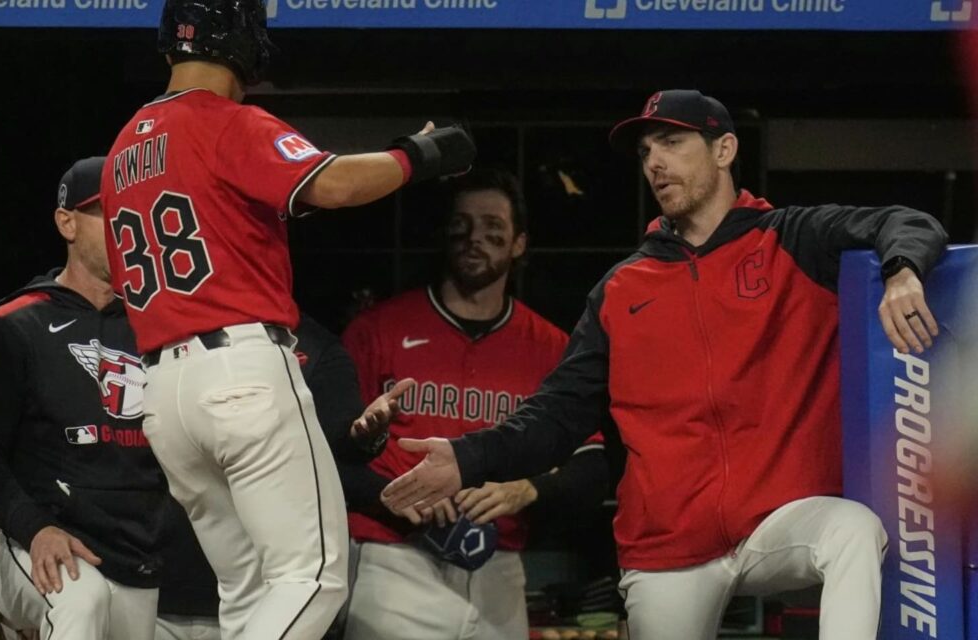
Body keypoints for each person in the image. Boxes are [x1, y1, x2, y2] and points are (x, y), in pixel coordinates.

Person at [382, 89, 949, 640]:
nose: (655, 162)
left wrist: (902, 270)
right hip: (667, 544)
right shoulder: (622, 289)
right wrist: (465, 457)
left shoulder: (792, 241)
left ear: (723, 151)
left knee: (854, 530)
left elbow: (906, 222)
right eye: (646, 152)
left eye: (672, 143)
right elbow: (557, 416)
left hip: (778, 521)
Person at [100, 0, 473, 637]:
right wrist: (419, 155)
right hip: (242, 369)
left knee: (248, 592)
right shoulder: (222, 119)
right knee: (314, 578)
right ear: (240, 41)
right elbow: (331, 183)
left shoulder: (121, 151)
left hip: (164, 391)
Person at [340, 168, 610, 640]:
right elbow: (330, 453)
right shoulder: (377, 329)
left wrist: (529, 489)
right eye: (462, 226)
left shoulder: (548, 345)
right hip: (396, 560)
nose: (474, 239)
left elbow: (593, 462)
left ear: (518, 244)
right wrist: (393, 499)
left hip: (500, 567)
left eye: (492, 229)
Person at [0, 157, 169, 640]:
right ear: (66, 222)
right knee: (80, 600)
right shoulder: (13, 327)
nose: (124, 225)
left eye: (132, 212)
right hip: (38, 536)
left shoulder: (160, 327)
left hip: (135, 547)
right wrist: (33, 528)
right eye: (108, 212)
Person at [154, 313, 387, 640]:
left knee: (246, 590)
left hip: (164, 375)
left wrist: (365, 438)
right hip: (163, 573)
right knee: (316, 580)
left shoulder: (317, 345)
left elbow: (339, 450)